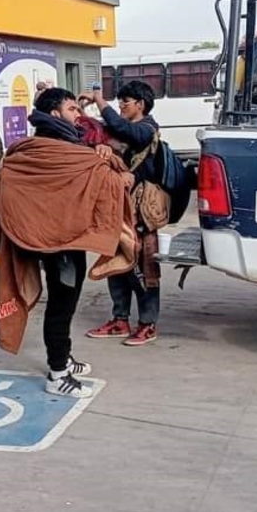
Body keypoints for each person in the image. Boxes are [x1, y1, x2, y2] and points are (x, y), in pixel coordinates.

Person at [0, 88, 137, 397]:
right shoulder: (53, 153)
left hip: (50, 239)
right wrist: (109, 170)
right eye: (71, 109)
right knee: (61, 304)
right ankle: (57, 375)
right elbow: (114, 181)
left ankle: (63, 357)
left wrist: (103, 158)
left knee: (63, 303)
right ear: (55, 114)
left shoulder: (29, 150)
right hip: (60, 245)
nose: (77, 115)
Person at [83, 80, 163, 346]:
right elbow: (96, 134)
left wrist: (98, 100)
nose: (120, 106)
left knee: (144, 267)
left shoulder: (147, 128)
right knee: (116, 262)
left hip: (140, 211)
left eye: (125, 102)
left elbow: (120, 128)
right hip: (118, 209)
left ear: (140, 105)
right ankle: (120, 319)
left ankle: (147, 323)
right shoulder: (124, 131)